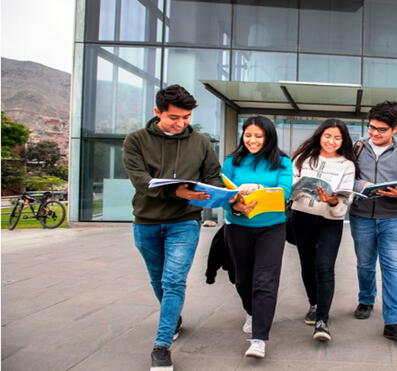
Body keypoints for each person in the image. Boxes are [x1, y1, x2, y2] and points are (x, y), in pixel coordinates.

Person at [122, 84, 222, 371]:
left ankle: (162, 345)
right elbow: (140, 180)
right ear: (157, 112)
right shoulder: (135, 140)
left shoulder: (201, 142)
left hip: (184, 222)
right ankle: (174, 317)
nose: (181, 124)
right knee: (158, 280)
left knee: (173, 281)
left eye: (186, 118)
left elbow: (212, 175)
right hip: (147, 223)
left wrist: (216, 194)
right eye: (174, 118)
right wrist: (174, 191)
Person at [349, 101, 397, 341]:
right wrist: (362, 186)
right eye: (372, 127)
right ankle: (366, 299)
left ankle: (394, 321)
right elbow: (345, 178)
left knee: (393, 268)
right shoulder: (357, 148)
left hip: (393, 219)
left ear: (395, 129)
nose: (375, 133)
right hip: (361, 217)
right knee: (365, 264)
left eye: (381, 129)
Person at [221, 116, 293, 358]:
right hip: (238, 227)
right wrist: (235, 206)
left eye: (258, 136)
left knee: (265, 280)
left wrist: (261, 190)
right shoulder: (232, 161)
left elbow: (285, 192)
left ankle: (259, 338)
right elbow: (223, 193)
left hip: (272, 228)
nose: (252, 140)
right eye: (248, 135)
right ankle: (251, 312)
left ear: (268, 137)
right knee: (242, 279)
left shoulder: (282, 162)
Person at [290, 119, 357, 342]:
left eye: (337, 138)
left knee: (324, 267)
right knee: (307, 265)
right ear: (320, 135)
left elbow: (344, 201)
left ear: (343, 141)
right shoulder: (303, 159)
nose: (332, 141)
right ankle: (314, 303)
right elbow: (289, 188)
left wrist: (331, 200)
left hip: (330, 221)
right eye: (328, 136)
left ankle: (322, 320)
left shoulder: (347, 165)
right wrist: (296, 190)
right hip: (302, 218)